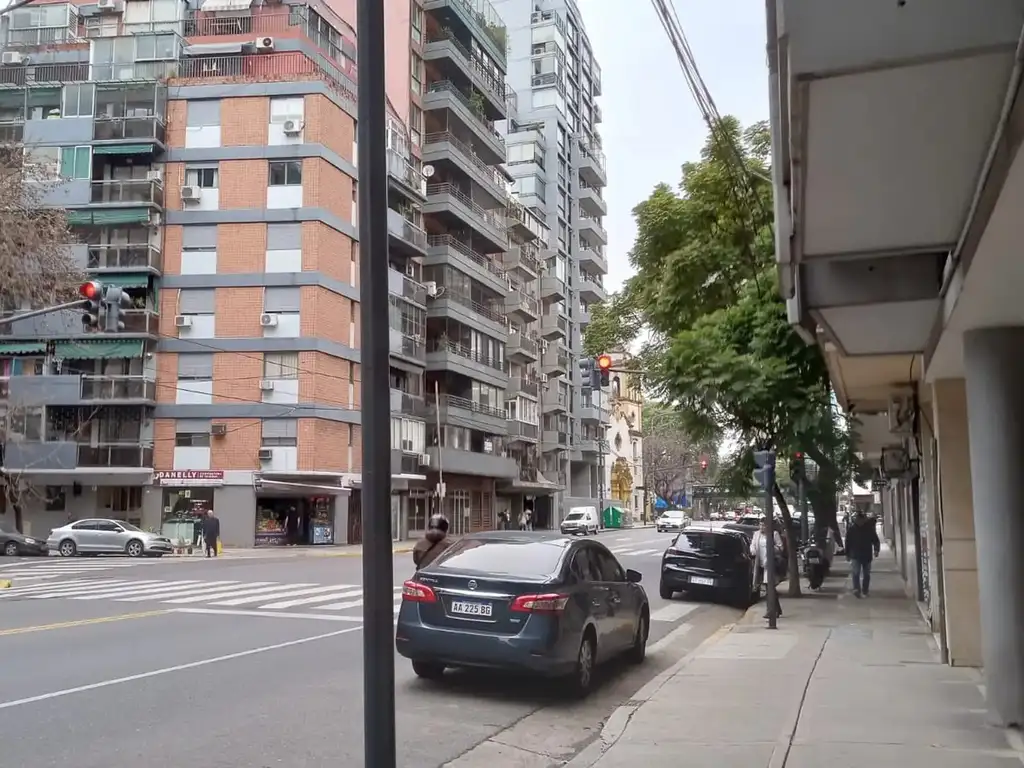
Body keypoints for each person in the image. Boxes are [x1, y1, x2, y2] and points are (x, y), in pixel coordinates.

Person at [750, 517, 784, 619]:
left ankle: (771, 611)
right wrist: (753, 550)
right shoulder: (756, 534)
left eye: (764, 525)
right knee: (769, 588)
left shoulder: (774, 534)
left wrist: (772, 547)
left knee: (769, 587)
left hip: (770, 564)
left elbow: (781, 548)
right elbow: (752, 545)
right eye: (760, 525)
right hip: (759, 563)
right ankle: (777, 609)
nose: (761, 527)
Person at [846, 510, 881, 597]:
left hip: (867, 554)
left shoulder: (869, 529)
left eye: (861, 519)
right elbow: (848, 542)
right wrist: (847, 554)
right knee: (855, 572)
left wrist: (876, 550)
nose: (859, 521)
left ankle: (865, 589)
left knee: (866, 574)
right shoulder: (851, 529)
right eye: (858, 519)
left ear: (864, 520)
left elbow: (875, 540)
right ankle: (856, 589)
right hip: (855, 554)